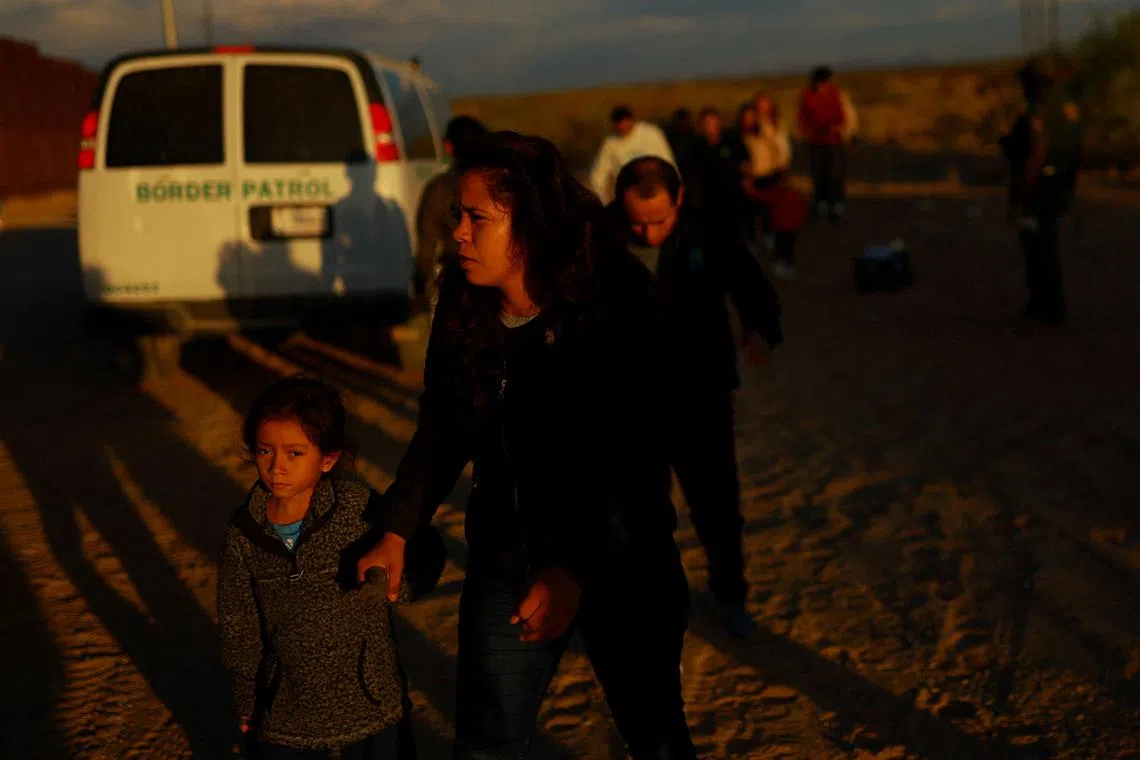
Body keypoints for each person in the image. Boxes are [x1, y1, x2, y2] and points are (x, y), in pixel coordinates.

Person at [358, 132, 697, 758]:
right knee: (486, 744)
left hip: (623, 567)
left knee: (656, 737)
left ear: (531, 225)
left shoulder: (616, 308)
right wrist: (398, 526)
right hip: (507, 557)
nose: (457, 231)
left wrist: (574, 572)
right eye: (459, 214)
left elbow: (637, 469)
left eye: (476, 217)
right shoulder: (464, 305)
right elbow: (442, 425)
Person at [218, 377, 443, 759]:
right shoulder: (244, 532)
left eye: (294, 453)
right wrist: (247, 698)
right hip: (286, 708)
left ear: (328, 458)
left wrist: (394, 583)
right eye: (264, 451)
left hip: (370, 699)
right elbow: (239, 625)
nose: (276, 467)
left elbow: (422, 546)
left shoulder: (357, 508)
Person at [611, 156, 784, 637]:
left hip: (699, 394)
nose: (646, 234)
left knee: (716, 506)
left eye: (658, 221)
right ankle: (646, 606)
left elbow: (752, 286)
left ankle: (730, 596)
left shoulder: (709, 234)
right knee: (636, 514)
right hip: (628, 402)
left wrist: (758, 330)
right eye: (636, 223)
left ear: (679, 198)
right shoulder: (600, 237)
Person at [1000, 58, 1082, 326]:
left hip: (1038, 191)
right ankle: (1051, 306)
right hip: (1059, 187)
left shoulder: (1037, 114)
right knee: (1047, 246)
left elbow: (1035, 153)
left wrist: (1021, 198)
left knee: (1037, 250)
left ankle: (1043, 308)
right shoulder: (1068, 109)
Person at [413, 115, 489, 309]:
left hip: (453, 278)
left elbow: (427, 243)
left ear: (448, 146)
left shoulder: (440, 188)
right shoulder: (500, 186)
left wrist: (421, 284)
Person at [743, 92, 802, 279]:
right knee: (754, 211)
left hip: (775, 174)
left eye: (765, 104)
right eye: (759, 105)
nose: (762, 109)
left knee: (780, 217)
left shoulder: (775, 125)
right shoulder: (749, 129)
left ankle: (781, 256)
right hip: (755, 175)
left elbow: (782, 149)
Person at [588, 105, 676, 205]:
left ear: (632, 120)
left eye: (624, 121)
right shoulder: (610, 144)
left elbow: (668, 160)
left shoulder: (651, 133)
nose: (622, 126)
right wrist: (602, 202)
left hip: (657, 192)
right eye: (618, 123)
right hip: (629, 197)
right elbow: (598, 176)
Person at [690, 107, 750, 244]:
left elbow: (745, 163)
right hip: (708, 201)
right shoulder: (696, 147)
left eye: (713, 123)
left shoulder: (732, 141)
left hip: (733, 197)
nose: (711, 127)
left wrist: (746, 180)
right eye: (707, 123)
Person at [798, 65, 850, 221]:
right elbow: (802, 119)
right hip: (816, 141)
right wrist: (810, 131)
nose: (823, 86)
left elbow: (841, 115)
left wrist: (836, 127)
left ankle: (836, 207)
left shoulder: (835, 94)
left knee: (835, 175)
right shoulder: (807, 96)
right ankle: (821, 205)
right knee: (819, 175)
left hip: (833, 141)